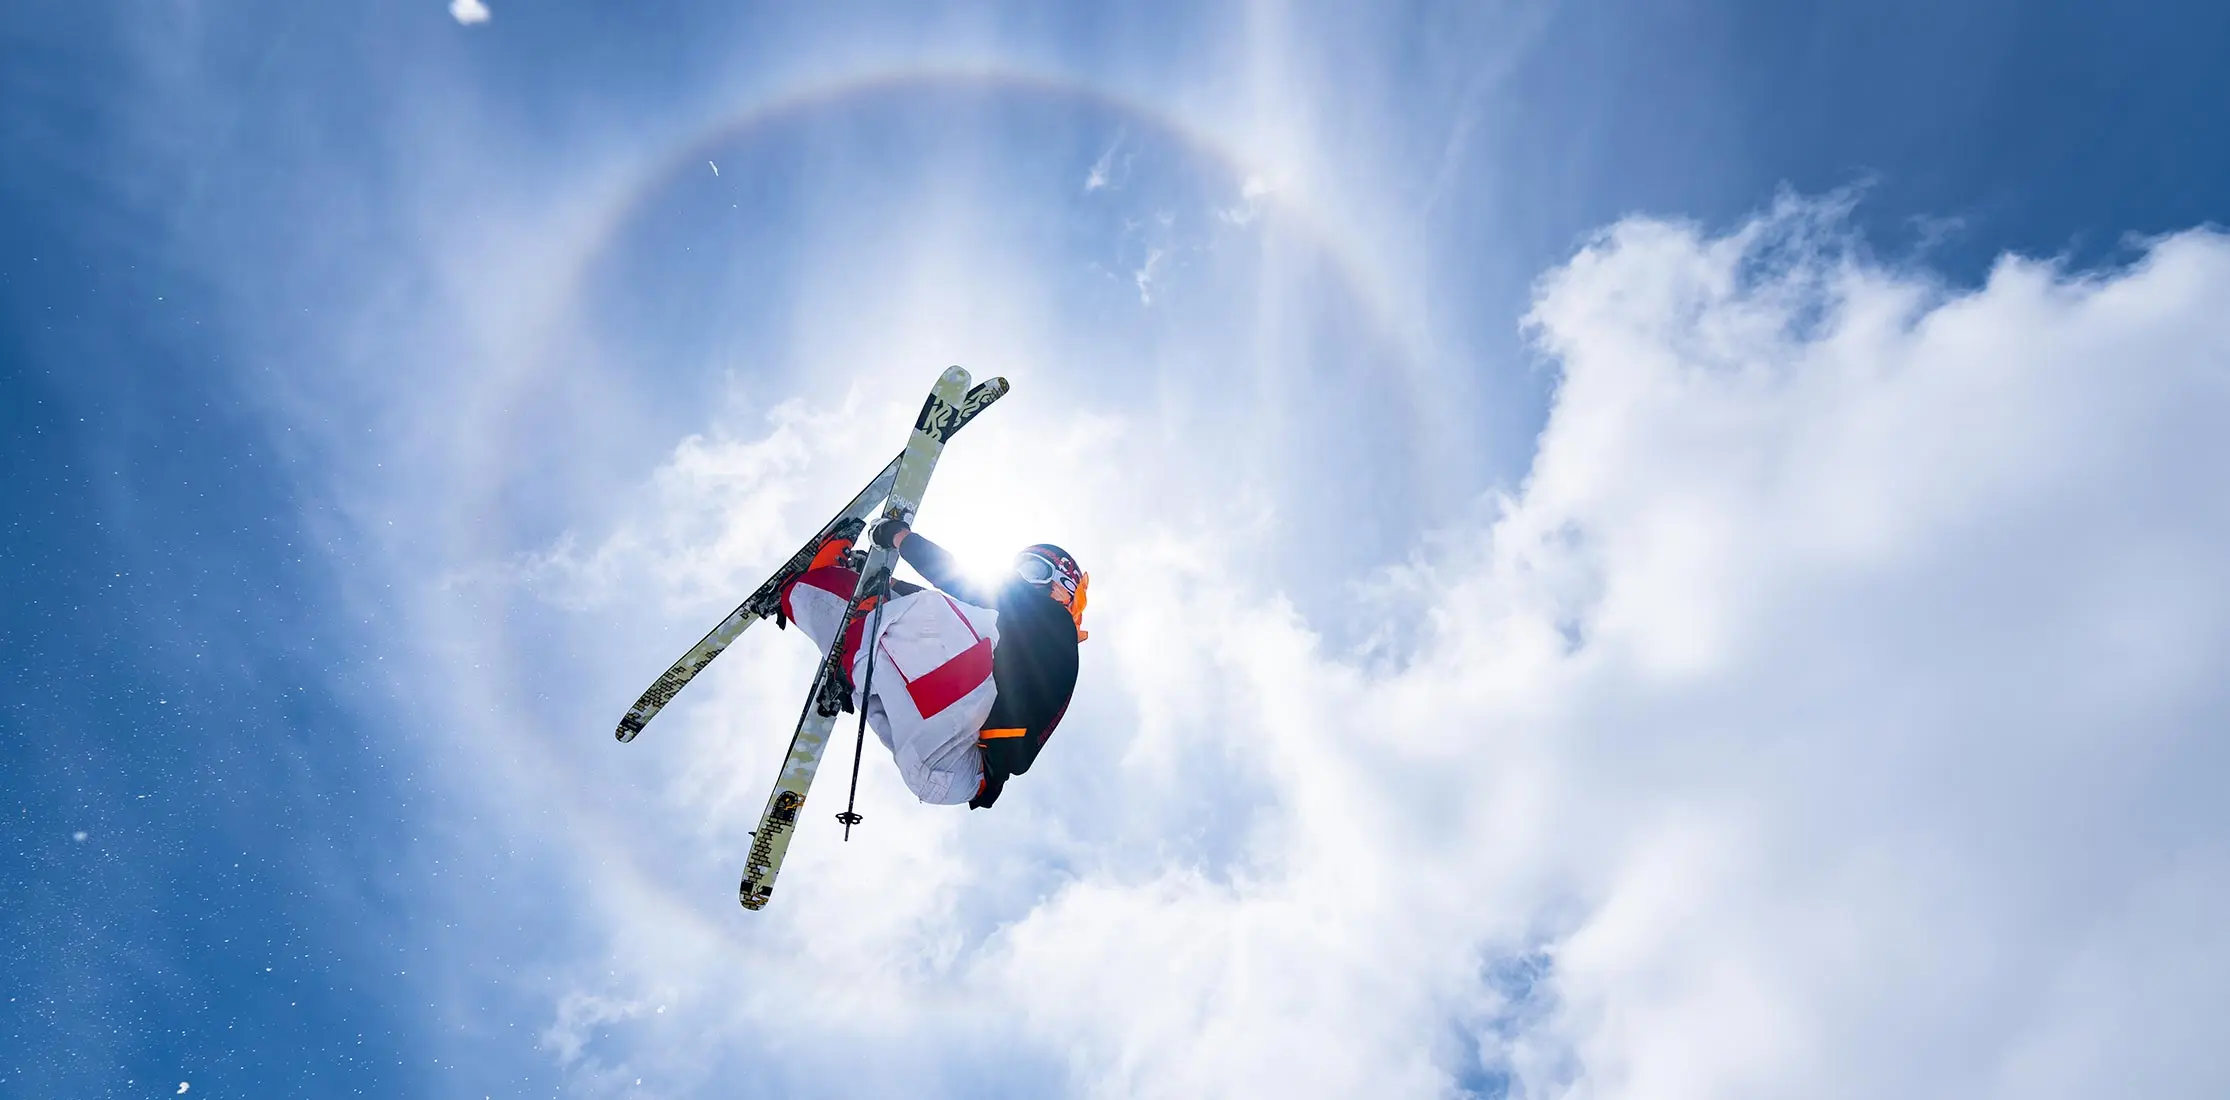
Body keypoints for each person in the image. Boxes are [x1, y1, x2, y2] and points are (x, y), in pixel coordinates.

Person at [777, 522, 1086, 809]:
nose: (1020, 579)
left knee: (929, 617)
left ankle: (822, 594)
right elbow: (956, 612)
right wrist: (889, 583)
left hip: (961, 753)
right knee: (921, 624)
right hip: (944, 768)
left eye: (1035, 570)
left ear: (1063, 588)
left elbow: (960, 587)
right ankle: (831, 617)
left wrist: (899, 537)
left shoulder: (1053, 619)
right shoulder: (1037, 640)